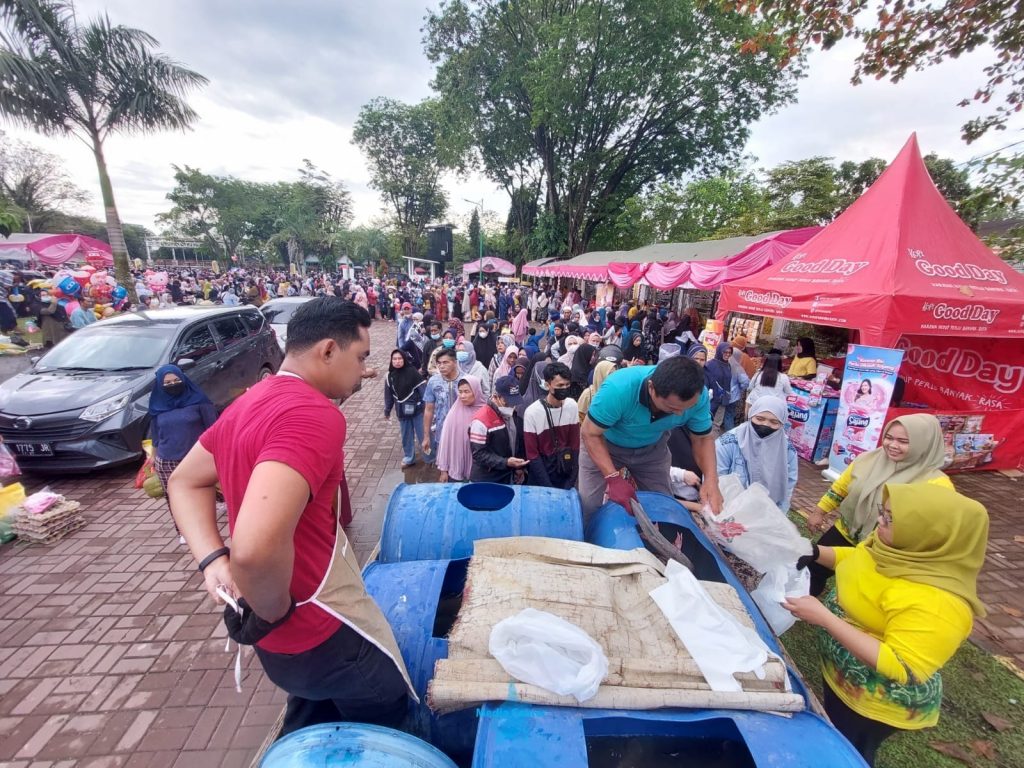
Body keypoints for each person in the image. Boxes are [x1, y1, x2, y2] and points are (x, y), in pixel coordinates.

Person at [167, 298, 414, 738]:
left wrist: (212, 561)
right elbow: (256, 549)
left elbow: (183, 481)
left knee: (313, 698)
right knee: (387, 698)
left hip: (279, 646)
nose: (362, 371)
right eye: (360, 358)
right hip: (313, 624)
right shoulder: (313, 415)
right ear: (326, 351)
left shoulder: (248, 403)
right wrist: (271, 610)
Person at [786, 484, 988, 766]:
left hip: (875, 702)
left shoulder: (940, 602)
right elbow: (856, 559)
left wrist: (825, 618)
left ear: (928, 534)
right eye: (884, 512)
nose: (880, 521)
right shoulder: (893, 548)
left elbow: (901, 665)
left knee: (848, 752)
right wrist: (815, 551)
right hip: (845, 679)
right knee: (832, 728)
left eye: (891, 519)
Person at [804, 413, 950, 596]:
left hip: (883, 549)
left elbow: (933, 531)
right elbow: (841, 488)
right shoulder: (868, 460)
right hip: (846, 530)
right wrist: (819, 512)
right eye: (889, 437)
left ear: (924, 444)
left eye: (903, 441)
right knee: (814, 567)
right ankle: (803, 602)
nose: (892, 445)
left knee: (857, 590)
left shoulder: (937, 484)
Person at [578, 356, 723, 522]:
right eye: (672, 408)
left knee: (662, 504)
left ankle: (656, 541)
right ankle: (591, 541)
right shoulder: (619, 388)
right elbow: (590, 433)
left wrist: (711, 479)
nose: (680, 415)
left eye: (686, 408)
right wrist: (612, 477)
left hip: (652, 448)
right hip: (605, 444)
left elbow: (703, 439)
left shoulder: (699, 397)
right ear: (651, 388)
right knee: (590, 505)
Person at [148, 364, 218, 541]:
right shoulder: (157, 406)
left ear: (183, 379)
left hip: (196, 457)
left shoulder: (199, 400)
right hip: (167, 460)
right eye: (168, 382)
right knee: (174, 497)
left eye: (176, 380)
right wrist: (152, 457)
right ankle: (182, 530)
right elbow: (156, 436)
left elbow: (214, 428)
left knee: (202, 493)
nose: (173, 384)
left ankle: (206, 526)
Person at [715, 395, 797, 512]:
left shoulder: (787, 450)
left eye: (774, 422)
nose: (766, 425)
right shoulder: (728, 443)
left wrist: (778, 515)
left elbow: (788, 486)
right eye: (760, 419)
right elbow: (716, 479)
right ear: (751, 416)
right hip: (729, 509)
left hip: (766, 512)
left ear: (782, 424)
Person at [523, 362, 580, 490]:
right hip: (541, 475)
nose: (564, 388)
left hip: (564, 469)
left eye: (567, 385)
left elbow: (575, 445)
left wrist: (571, 481)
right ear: (548, 385)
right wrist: (548, 487)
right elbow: (533, 455)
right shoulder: (532, 412)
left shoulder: (572, 406)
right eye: (560, 385)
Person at [469, 375, 530, 484]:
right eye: (508, 401)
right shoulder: (481, 420)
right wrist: (506, 462)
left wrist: (518, 468)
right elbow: (479, 454)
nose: (511, 405)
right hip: (487, 479)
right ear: (496, 397)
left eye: (514, 402)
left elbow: (516, 442)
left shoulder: (512, 415)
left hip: (508, 476)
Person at [436, 375, 485, 483]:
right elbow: (445, 444)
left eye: (467, 391)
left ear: (476, 391)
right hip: (456, 468)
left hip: (479, 469)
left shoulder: (485, 411)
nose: (462, 396)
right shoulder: (453, 414)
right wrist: (443, 471)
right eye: (460, 391)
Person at [383, 349, 426, 468]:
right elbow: (388, 396)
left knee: (423, 434)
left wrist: (425, 407)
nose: (397, 361)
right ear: (391, 361)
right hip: (401, 411)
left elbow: (423, 391)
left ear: (404, 359)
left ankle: (430, 457)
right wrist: (387, 411)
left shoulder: (413, 372)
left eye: (400, 358)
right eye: (394, 359)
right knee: (406, 436)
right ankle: (409, 458)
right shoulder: (389, 376)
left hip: (417, 410)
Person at [421, 347, 461, 462]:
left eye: (445, 362)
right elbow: (429, 410)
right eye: (439, 363)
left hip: (461, 432)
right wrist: (426, 436)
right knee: (443, 464)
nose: (441, 366)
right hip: (441, 431)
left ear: (455, 363)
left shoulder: (466, 380)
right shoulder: (433, 381)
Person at [576, 359, 616, 425]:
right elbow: (580, 416)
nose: (613, 377)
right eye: (610, 374)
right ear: (601, 374)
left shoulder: (614, 393)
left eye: (615, 373)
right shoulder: (588, 393)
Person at [704, 342, 733, 430]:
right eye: (725, 352)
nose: (727, 354)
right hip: (711, 400)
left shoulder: (728, 365)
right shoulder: (710, 365)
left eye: (729, 352)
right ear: (719, 351)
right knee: (706, 421)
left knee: (716, 424)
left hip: (723, 400)